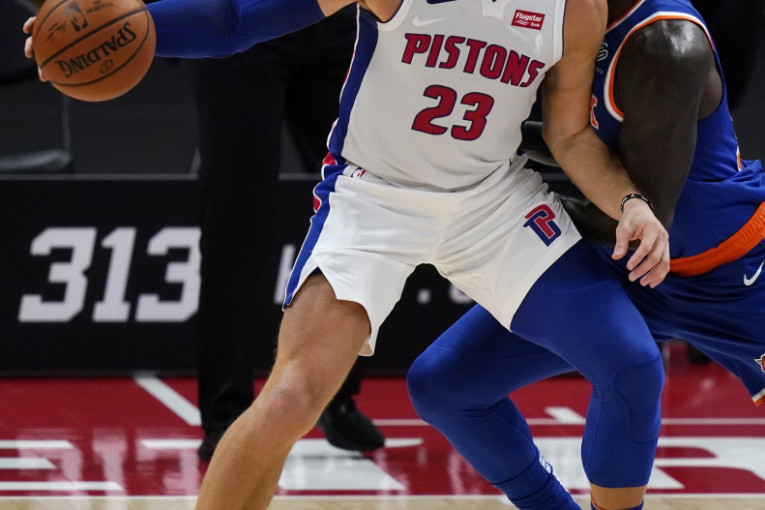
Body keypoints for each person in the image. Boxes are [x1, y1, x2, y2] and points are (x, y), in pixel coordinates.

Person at [25, 1, 672, 509]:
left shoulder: (574, 6)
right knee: (289, 399)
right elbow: (233, 21)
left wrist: (631, 203)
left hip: (492, 201)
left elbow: (569, 133)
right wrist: (133, 25)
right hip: (375, 198)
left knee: (631, 362)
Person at [407, 1, 765, 510]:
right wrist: (460, 137)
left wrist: (483, 215)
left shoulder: (666, 44)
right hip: (620, 265)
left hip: (732, 274)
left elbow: (645, 220)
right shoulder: (559, 17)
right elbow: (573, 140)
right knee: (443, 386)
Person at [188, 5, 384, 461]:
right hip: (235, 21)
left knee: (359, 197)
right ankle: (226, 413)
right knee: (236, 213)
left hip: (334, 18)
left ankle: (334, 393)